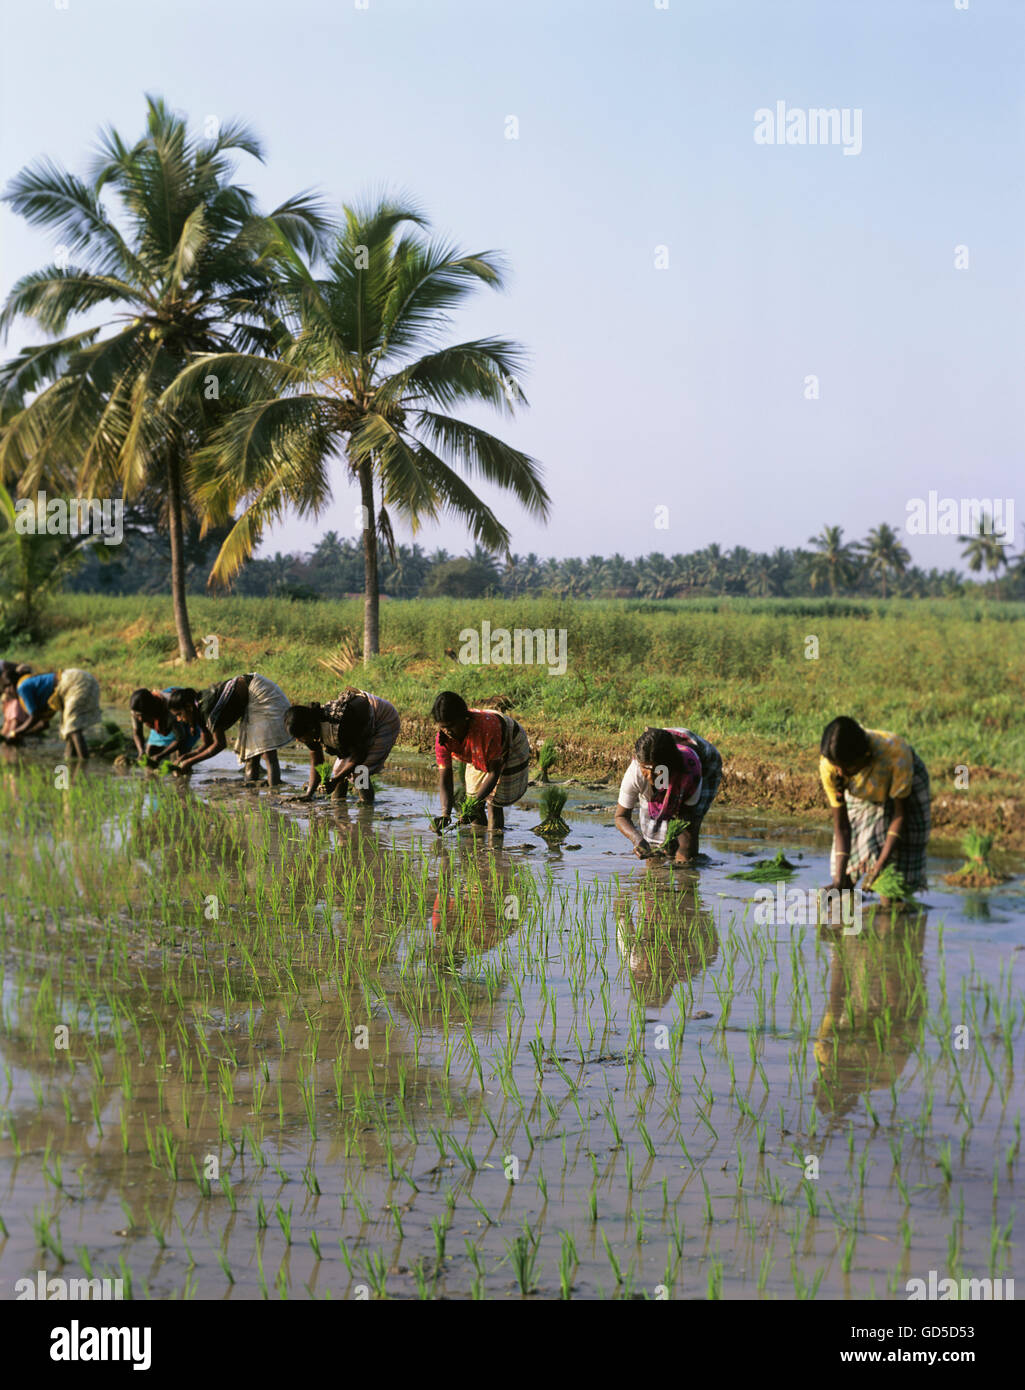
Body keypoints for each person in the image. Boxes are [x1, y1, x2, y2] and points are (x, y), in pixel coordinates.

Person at [819, 715, 931, 899]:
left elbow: (899, 816)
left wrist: (878, 867)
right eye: (836, 767)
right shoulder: (830, 765)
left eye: (845, 768)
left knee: (890, 876)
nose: (839, 773)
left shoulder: (896, 754)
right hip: (865, 790)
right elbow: (842, 827)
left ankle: (891, 905)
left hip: (903, 791)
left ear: (864, 758)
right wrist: (838, 882)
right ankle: (845, 891)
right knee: (843, 876)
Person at [615, 726, 723, 862]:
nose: (650, 777)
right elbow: (621, 816)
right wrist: (638, 840)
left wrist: (685, 868)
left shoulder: (689, 771)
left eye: (657, 771)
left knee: (687, 831)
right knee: (653, 831)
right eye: (646, 769)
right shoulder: (636, 772)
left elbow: (686, 822)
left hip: (705, 762)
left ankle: (687, 870)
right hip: (662, 748)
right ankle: (656, 867)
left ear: (669, 767)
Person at [431, 690, 530, 832]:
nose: (448, 731)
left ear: (463, 718)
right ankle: (478, 844)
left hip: (507, 740)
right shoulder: (443, 739)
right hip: (478, 749)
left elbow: (493, 773)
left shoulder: (485, 730)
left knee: (492, 803)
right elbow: (445, 776)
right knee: (472, 798)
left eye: (451, 725)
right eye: (443, 727)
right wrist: (445, 814)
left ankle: (494, 847)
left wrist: (475, 804)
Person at [169, 674, 291, 785]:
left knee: (266, 750)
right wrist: (187, 757)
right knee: (251, 753)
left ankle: (274, 789)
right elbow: (207, 744)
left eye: (179, 714)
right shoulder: (198, 711)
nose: (179, 719)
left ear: (189, 707)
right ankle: (253, 790)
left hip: (259, 692)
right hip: (249, 699)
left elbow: (219, 744)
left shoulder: (205, 708)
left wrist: (189, 762)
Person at [284, 689, 400, 802]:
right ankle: (338, 804)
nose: (298, 740)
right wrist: (309, 794)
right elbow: (317, 762)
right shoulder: (311, 731)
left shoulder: (338, 725)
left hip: (383, 718)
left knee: (359, 771)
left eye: (300, 736)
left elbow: (359, 755)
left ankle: (366, 805)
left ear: (310, 728)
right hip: (358, 727)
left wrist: (335, 781)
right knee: (339, 770)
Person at [4, 667, 101, 759]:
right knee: (68, 731)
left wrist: (15, 732)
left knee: (73, 729)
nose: (7, 693)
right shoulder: (34, 687)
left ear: (11, 685)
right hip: (82, 679)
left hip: (74, 682)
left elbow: (35, 717)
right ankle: (72, 763)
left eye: (5, 689)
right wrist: (23, 734)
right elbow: (43, 724)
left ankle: (84, 763)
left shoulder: (22, 687)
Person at [129, 688, 202, 768]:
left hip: (185, 715)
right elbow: (137, 732)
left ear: (150, 709)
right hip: (160, 719)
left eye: (142, 715)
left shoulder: (171, 712)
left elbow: (181, 739)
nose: (140, 719)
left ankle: (182, 779)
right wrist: (141, 752)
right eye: (137, 715)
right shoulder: (136, 710)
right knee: (150, 751)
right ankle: (151, 778)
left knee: (180, 759)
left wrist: (161, 755)